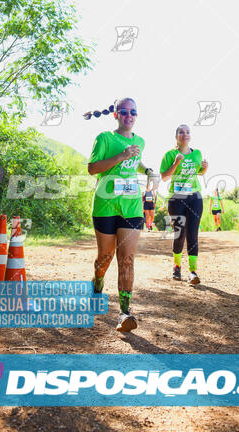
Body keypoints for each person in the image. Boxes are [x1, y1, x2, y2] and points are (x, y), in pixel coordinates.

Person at [86, 97, 155, 333]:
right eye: (124, 112)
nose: (129, 115)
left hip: (132, 206)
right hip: (105, 206)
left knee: (126, 259)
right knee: (104, 258)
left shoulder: (140, 141)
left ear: (136, 115)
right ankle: (97, 285)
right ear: (116, 115)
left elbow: (135, 161)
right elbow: (93, 168)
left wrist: (147, 170)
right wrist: (121, 156)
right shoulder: (104, 138)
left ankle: (125, 312)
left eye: (133, 112)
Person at [160, 124, 208, 284]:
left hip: (195, 197)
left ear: (190, 136)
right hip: (177, 198)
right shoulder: (170, 154)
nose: (185, 134)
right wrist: (175, 163)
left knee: (193, 234)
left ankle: (193, 272)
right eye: (181, 132)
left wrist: (205, 169)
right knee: (179, 234)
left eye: (187, 132)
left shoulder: (197, 153)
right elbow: (165, 177)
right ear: (176, 136)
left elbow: (198, 171)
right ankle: (176, 267)